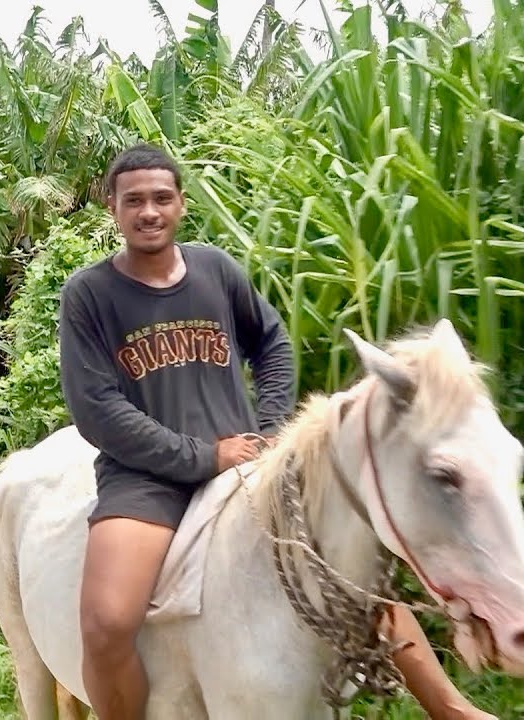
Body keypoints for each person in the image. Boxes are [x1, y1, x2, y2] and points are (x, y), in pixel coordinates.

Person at [57, 142, 493, 720]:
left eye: (162, 197)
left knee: (350, 578)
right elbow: (96, 407)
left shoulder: (215, 270)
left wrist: (269, 429)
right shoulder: (89, 294)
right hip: (144, 479)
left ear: (181, 203)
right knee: (107, 624)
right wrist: (199, 456)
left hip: (246, 463)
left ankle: (452, 708)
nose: (149, 212)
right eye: (134, 200)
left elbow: (273, 344)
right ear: (112, 208)